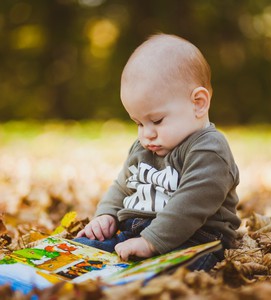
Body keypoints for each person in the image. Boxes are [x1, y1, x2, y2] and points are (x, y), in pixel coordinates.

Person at [75, 33, 241, 271]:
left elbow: (191, 204)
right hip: (136, 232)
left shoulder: (208, 149)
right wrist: (106, 215)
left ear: (198, 103)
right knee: (83, 248)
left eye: (157, 120)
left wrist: (151, 242)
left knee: (168, 271)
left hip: (195, 239)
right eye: (139, 123)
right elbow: (123, 185)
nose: (146, 134)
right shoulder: (145, 146)